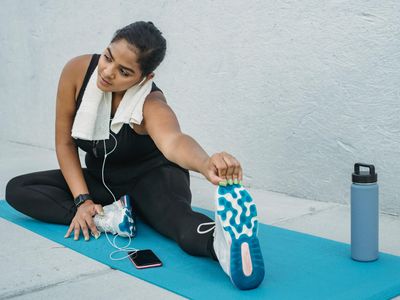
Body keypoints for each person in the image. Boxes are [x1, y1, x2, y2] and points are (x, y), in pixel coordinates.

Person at [5, 21, 264, 290]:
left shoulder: (151, 103)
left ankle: (222, 244)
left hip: (152, 179)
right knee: (19, 189)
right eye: (108, 57)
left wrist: (205, 162)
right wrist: (83, 201)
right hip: (102, 180)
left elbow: (174, 141)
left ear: (144, 78)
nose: (107, 72)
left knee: (177, 221)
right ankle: (109, 216)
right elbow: (65, 143)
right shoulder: (76, 72)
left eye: (124, 71)